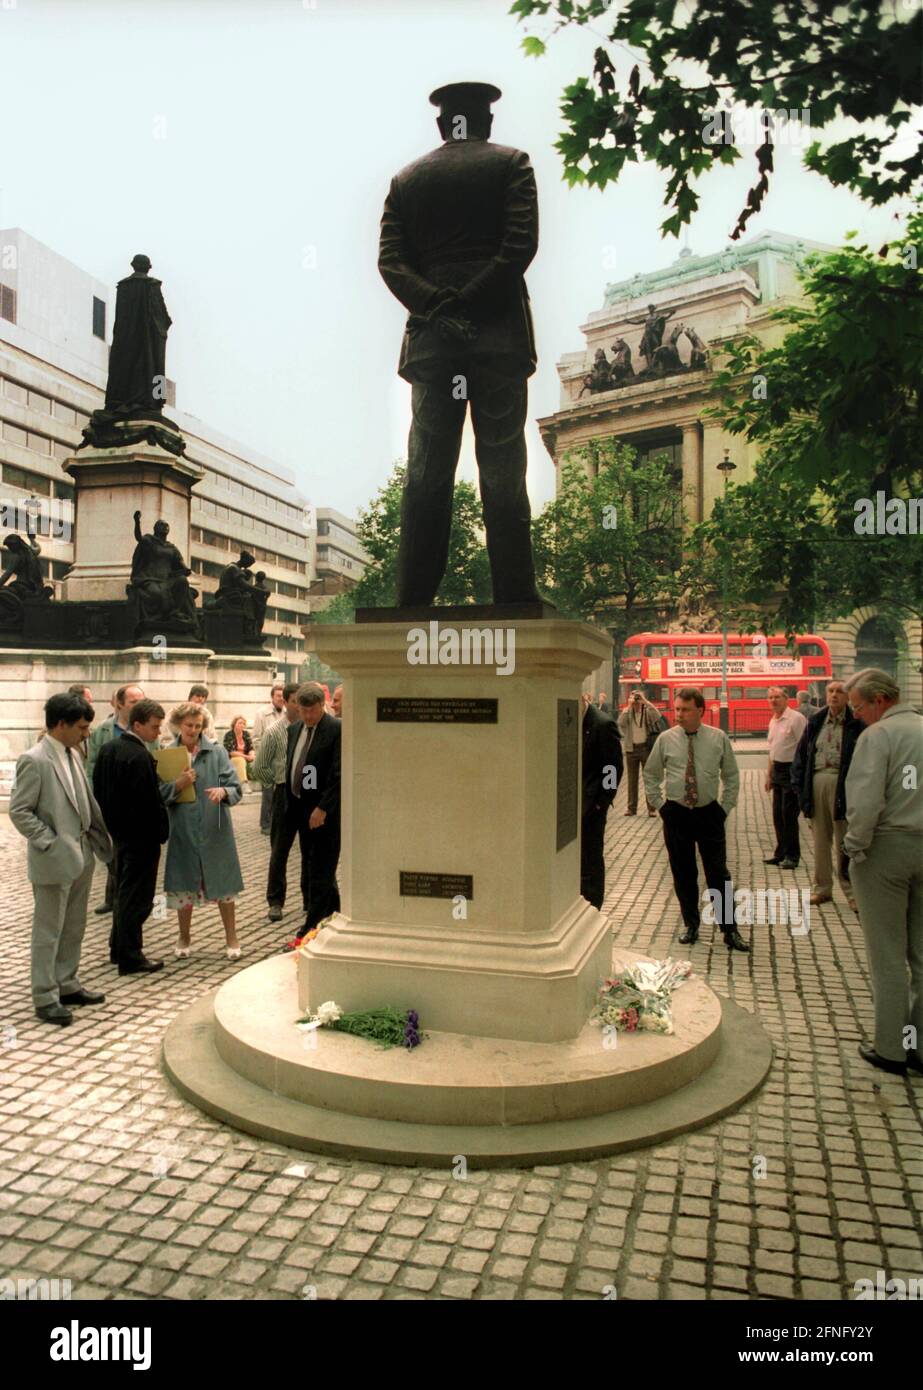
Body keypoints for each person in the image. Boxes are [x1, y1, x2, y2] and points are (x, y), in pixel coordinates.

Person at [378, 81, 541, 606]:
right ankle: (515, 594)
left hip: (434, 347)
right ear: (486, 122)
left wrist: (438, 306)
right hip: (496, 340)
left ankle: (412, 598)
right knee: (502, 467)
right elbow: (520, 245)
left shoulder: (406, 180)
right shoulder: (512, 163)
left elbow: (391, 262)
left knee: (427, 471)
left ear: (442, 126)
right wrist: (470, 301)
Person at [10, 693, 113, 1025]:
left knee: (74, 926)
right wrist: (49, 842)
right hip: (54, 858)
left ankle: (67, 984)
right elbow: (19, 811)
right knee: (48, 931)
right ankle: (45, 996)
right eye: (81, 727)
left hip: (82, 855)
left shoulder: (73, 754)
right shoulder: (35, 759)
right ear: (60, 724)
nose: (87, 734)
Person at [843, 669, 923, 1077]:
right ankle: (920, 1046)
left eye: (858, 707)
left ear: (879, 701)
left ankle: (892, 1048)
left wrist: (854, 847)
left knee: (888, 956)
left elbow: (866, 800)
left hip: (886, 849)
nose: (856, 715)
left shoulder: (879, 737)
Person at [643, 687, 747, 951]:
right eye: (677, 709)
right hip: (676, 813)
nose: (679, 714)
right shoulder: (666, 739)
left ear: (700, 710)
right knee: (683, 872)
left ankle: (729, 929)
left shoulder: (717, 738)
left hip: (708, 812)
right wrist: (660, 805)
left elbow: (732, 776)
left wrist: (725, 808)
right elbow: (651, 774)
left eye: (685, 709)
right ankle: (691, 924)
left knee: (718, 873)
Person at [158, 702, 244, 961]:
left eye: (198, 726)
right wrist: (178, 785)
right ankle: (184, 936)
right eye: (189, 725)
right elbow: (159, 794)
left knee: (223, 884)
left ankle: (232, 937)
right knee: (184, 885)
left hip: (214, 826)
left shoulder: (217, 752)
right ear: (178, 725)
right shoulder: (167, 754)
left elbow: (235, 786)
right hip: (183, 828)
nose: (194, 730)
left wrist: (224, 791)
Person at [92, 699, 168, 976]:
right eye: (154, 727)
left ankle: (118, 948)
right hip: (140, 839)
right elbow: (149, 802)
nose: (158, 733)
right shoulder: (139, 756)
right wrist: (160, 831)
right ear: (137, 724)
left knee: (124, 894)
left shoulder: (108, 750)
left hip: (118, 836)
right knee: (137, 899)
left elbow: (97, 791)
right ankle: (131, 956)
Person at [281, 682, 341, 951]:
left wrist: (322, 807)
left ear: (322, 705)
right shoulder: (295, 729)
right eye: (303, 711)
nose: (307, 716)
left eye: (312, 711)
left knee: (320, 870)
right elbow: (301, 767)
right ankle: (335, 914)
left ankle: (309, 928)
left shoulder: (336, 730)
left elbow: (337, 775)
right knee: (312, 866)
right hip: (300, 810)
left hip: (325, 815)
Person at [791, 681, 863, 909]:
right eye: (831, 691)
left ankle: (852, 892)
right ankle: (822, 889)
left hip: (844, 784)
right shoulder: (816, 721)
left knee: (844, 841)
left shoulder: (856, 723)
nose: (834, 695)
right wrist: (800, 788)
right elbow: (801, 755)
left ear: (848, 696)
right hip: (817, 781)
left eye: (839, 692)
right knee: (820, 840)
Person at [86, 683, 154, 918]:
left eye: (142, 700)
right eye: (134, 702)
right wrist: (95, 797)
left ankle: (121, 899)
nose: (140, 705)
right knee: (112, 850)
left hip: (137, 804)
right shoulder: (104, 730)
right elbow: (92, 764)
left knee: (127, 853)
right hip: (111, 801)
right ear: (120, 704)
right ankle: (113, 898)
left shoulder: (148, 728)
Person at [252, 683, 301, 922]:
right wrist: (279, 782)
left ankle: (310, 900)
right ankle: (275, 901)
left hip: (307, 794)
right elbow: (259, 768)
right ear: (286, 702)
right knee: (279, 850)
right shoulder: (274, 731)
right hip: (283, 795)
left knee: (311, 851)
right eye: (295, 701)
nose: (300, 706)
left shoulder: (309, 729)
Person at [581, 694, 622, 909]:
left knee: (591, 860)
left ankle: (593, 906)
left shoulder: (603, 724)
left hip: (592, 808)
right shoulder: (565, 720)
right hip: (570, 806)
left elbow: (613, 768)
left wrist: (602, 802)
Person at [764, 686, 807, 870]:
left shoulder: (796, 719)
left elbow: (805, 747)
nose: (774, 701)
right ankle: (780, 852)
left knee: (788, 815)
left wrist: (801, 774)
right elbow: (772, 751)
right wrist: (769, 775)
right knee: (777, 815)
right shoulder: (773, 720)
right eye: (771, 698)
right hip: (777, 770)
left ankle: (792, 855)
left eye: (777, 697)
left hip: (792, 770)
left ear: (786, 699)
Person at [617, 689, 663, 816]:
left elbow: (658, 716)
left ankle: (651, 809)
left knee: (648, 779)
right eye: (634, 699)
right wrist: (628, 706)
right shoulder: (628, 713)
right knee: (632, 780)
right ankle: (631, 808)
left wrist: (646, 702)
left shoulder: (647, 711)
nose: (636, 702)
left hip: (645, 749)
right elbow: (620, 723)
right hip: (631, 749)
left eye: (638, 699)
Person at [253, 684, 287, 833]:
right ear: (272, 697)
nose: (281, 698)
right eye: (278, 696)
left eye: (282, 696)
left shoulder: (287, 713)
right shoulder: (262, 713)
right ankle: (265, 824)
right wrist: (264, 756)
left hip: (282, 760)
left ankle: (277, 822)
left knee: (280, 794)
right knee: (267, 793)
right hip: (267, 760)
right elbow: (256, 738)